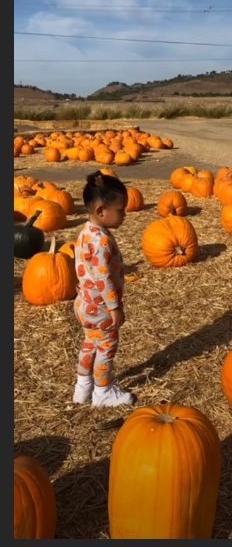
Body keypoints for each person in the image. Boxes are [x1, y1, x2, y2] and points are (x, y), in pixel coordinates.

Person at [73, 171, 134, 407]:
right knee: (106, 348)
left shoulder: (86, 232)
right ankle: (102, 392)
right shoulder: (102, 241)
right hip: (100, 308)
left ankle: (82, 388)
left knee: (90, 344)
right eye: (120, 210)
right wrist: (114, 307)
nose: (124, 215)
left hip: (84, 304)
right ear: (101, 211)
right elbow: (103, 278)